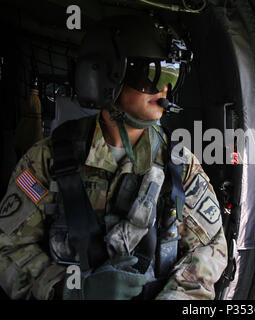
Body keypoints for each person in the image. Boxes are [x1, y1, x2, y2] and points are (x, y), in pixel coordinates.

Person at [0, 15, 227, 300]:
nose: (164, 89)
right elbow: (8, 247)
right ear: (103, 78)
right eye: (149, 74)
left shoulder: (181, 166)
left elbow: (209, 250)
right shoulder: (46, 160)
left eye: (171, 74)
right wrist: (73, 292)